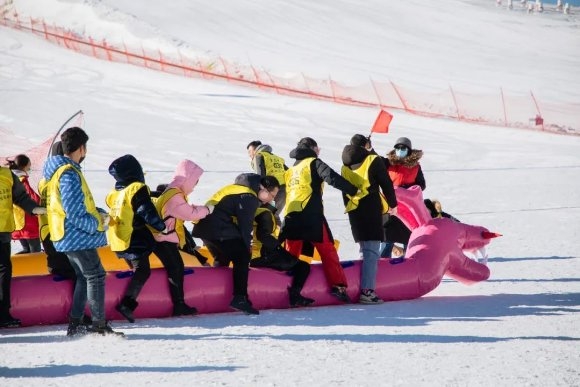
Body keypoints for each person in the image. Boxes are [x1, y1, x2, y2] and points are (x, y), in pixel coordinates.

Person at [43, 127, 122, 337]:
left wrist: (97, 212)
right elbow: (74, 212)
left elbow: (79, 205)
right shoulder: (68, 173)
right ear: (81, 148)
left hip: (68, 234)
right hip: (76, 235)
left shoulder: (63, 170)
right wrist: (97, 224)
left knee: (83, 276)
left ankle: (76, 322)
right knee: (96, 276)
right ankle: (98, 324)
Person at [281, 137, 358, 302]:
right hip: (310, 216)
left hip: (290, 217)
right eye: (318, 149)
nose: (319, 152)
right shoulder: (313, 162)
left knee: (290, 255)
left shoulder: (290, 170)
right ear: (312, 148)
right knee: (327, 250)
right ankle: (338, 286)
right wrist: (353, 190)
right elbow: (331, 177)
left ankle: (283, 287)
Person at [193, 173, 279, 315]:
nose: (272, 199)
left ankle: (216, 294)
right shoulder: (248, 197)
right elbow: (246, 226)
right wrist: (247, 250)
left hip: (206, 230)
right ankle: (240, 297)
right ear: (263, 190)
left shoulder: (236, 189)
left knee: (223, 259)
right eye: (272, 195)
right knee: (242, 257)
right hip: (217, 229)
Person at [106, 155, 167, 323]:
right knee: (143, 270)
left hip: (118, 238)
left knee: (135, 270)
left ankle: (124, 297)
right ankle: (127, 304)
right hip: (134, 238)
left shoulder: (116, 193)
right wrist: (161, 226)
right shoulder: (136, 189)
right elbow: (145, 210)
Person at [341, 134, 398, 304]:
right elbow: (386, 183)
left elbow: (344, 189)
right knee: (372, 251)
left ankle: (359, 287)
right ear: (366, 145)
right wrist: (392, 204)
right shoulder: (372, 160)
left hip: (354, 210)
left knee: (364, 250)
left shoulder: (344, 165)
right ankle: (367, 291)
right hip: (371, 209)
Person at [152, 159, 212, 316]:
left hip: (163, 237)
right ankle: (179, 304)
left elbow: (184, 210)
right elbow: (188, 213)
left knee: (176, 267)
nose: (195, 186)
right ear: (188, 178)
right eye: (195, 181)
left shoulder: (172, 191)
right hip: (164, 239)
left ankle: (179, 303)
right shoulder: (175, 195)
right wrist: (207, 210)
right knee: (176, 268)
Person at [0, 166, 45, 328]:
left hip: (2, 232)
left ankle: (3, 314)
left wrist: (33, 208)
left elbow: (20, 196)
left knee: (4, 271)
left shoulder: (6, 174)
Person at [250, 195, 314, 308]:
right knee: (303, 266)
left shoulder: (249, 212)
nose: (275, 202)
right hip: (264, 256)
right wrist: (278, 247)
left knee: (290, 259)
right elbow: (263, 236)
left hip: (254, 256)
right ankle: (295, 294)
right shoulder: (265, 213)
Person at [380, 137, 426, 259]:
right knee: (386, 240)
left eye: (403, 148)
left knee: (408, 239)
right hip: (390, 206)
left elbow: (421, 185)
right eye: (397, 148)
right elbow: (373, 160)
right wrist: (369, 148)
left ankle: (407, 268)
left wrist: (407, 190)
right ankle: (382, 269)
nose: (400, 150)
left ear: (409, 150)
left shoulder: (415, 167)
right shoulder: (387, 163)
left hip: (407, 208)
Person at [38, 141, 77, 279]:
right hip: (61, 231)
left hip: (46, 229)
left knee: (55, 265)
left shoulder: (44, 180)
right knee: (72, 270)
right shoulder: (64, 177)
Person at [6, 154, 42, 254]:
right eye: (29, 167)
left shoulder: (9, 179)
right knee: (35, 251)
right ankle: (34, 269)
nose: (30, 169)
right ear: (23, 167)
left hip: (17, 221)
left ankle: (14, 266)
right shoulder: (21, 180)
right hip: (28, 221)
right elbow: (32, 197)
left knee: (26, 250)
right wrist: (42, 205)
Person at [248, 141, 288, 220]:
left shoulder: (259, 156)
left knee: (263, 215)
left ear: (256, 149)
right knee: (273, 215)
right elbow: (288, 171)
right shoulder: (278, 158)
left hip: (272, 190)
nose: (249, 154)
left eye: (250, 151)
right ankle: (274, 232)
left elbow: (260, 175)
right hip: (284, 190)